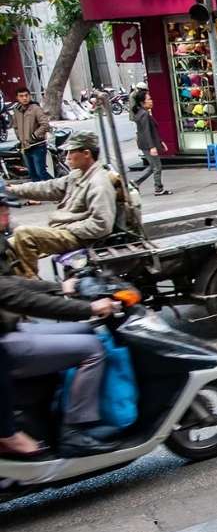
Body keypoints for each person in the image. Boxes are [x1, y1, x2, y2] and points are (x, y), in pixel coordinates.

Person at [0, 270, 120, 456]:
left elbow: (8, 283)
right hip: (5, 347)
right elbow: (23, 299)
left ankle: (62, 406)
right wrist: (89, 308)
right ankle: (72, 431)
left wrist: (59, 287)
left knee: (86, 330)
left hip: (9, 331)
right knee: (92, 349)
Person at [6, 132, 117, 279]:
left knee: (24, 233)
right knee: (8, 245)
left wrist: (67, 228)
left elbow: (102, 225)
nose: (67, 156)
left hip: (78, 237)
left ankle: (34, 286)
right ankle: (21, 284)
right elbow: (49, 187)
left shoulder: (99, 182)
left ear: (86, 153)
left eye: (71, 152)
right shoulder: (77, 175)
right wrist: (12, 190)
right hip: (63, 231)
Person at [133, 91, 171, 196]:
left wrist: (161, 142)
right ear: (142, 102)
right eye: (149, 99)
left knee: (152, 166)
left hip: (146, 144)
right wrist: (152, 147)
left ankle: (135, 183)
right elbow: (146, 132)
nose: (151, 101)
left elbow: (151, 130)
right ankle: (158, 188)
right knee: (157, 166)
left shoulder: (143, 112)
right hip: (147, 145)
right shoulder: (144, 114)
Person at [12, 87, 51, 182]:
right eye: (21, 96)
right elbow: (15, 126)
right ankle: (38, 195)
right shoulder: (17, 110)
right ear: (17, 98)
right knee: (32, 174)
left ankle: (52, 193)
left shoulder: (36, 108)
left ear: (29, 96)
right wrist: (20, 138)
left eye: (26, 95)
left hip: (37, 146)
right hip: (25, 147)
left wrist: (34, 136)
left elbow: (45, 125)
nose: (24, 98)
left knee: (41, 173)